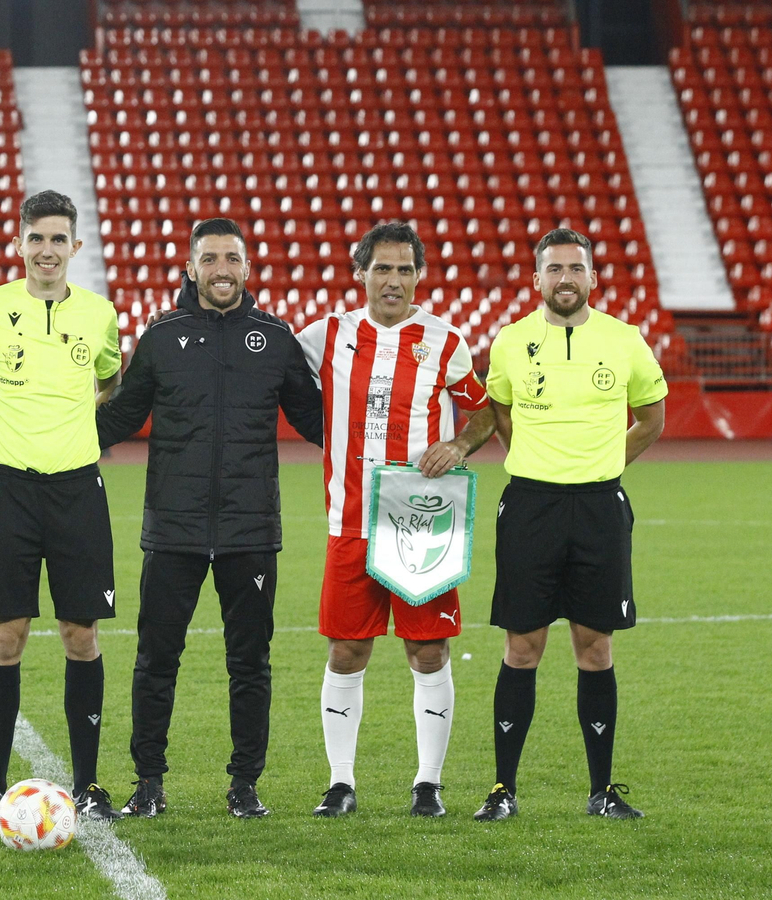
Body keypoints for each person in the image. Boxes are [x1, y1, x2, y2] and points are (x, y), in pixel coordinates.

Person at [96, 218, 323, 819]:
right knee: (155, 659)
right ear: (191, 268)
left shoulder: (275, 338)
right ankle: (149, 782)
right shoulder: (162, 337)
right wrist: (44, 430)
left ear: (247, 268)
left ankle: (245, 784)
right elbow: (118, 419)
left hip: (251, 528)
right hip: (174, 527)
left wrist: (392, 441)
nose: (222, 269)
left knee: (250, 662)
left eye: (232, 258)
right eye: (210, 258)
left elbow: (319, 421)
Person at [297, 223, 497, 819]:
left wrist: (459, 447)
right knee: (347, 652)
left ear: (419, 275)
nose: (393, 281)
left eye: (405, 269)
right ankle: (340, 784)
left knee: (427, 652)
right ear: (360, 273)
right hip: (349, 519)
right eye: (382, 269)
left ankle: (428, 785)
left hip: (421, 521)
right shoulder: (323, 336)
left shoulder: (445, 341)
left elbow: (484, 415)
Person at [473, 227, 666, 822]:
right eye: (553, 269)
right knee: (522, 645)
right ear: (536, 279)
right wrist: (535, 461)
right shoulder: (509, 342)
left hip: (600, 508)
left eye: (574, 269)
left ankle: (602, 791)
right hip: (531, 505)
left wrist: (603, 465)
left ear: (592, 277)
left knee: (595, 646)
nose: (564, 279)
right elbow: (498, 411)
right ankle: (504, 789)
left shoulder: (624, 340)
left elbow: (653, 418)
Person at [0, 189, 125, 823]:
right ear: (20, 244)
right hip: (10, 492)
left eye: (59, 239)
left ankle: (88, 784)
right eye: (37, 238)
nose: (47, 250)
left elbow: (109, 379)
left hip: (79, 488)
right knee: (8, 636)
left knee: (81, 635)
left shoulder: (99, 314)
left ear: (75, 246)